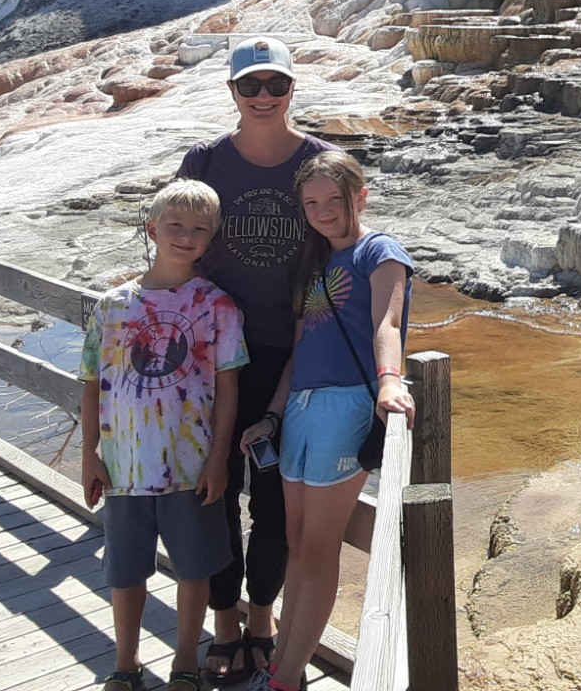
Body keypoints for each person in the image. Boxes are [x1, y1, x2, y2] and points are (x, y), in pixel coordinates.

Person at [176, 36, 337, 682]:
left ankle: (262, 617)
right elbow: (177, 233)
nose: (264, 97)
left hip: (284, 351)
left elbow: (345, 243)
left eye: (276, 85)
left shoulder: (321, 159)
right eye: (251, 86)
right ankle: (223, 622)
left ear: (293, 89)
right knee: (211, 492)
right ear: (233, 93)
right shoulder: (206, 159)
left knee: (272, 498)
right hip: (210, 356)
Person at [240, 150, 414, 691]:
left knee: (319, 547)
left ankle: (285, 678)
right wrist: (271, 415)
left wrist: (390, 379)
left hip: (345, 405)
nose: (321, 211)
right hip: (300, 409)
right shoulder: (316, 263)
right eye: (311, 202)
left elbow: (389, 321)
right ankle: (279, 668)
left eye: (332, 200)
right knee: (295, 541)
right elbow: (300, 349)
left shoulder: (379, 251)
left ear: (358, 197)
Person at [79, 179, 248, 691]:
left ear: (211, 237)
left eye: (199, 229)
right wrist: (90, 455)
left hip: (190, 467)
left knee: (193, 570)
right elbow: (91, 384)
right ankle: (125, 666)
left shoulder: (219, 307)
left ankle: (185, 665)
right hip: (126, 468)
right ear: (152, 228)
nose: (186, 236)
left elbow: (229, 392)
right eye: (175, 225)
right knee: (125, 574)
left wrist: (219, 459)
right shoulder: (111, 307)